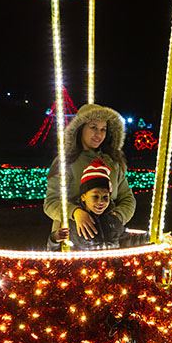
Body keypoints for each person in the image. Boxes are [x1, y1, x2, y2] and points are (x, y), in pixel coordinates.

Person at [44, 103, 136, 242]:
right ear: (80, 128)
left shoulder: (113, 163)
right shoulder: (66, 162)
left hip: (109, 239)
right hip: (73, 239)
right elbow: (51, 203)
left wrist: (117, 217)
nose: (99, 134)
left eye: (103, 129)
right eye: (93, 127)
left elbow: (127, 199)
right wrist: (75, 212)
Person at [47, 158, 150, 251]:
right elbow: (55, 251)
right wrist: (54, 239)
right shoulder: (73, 223)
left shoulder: (113, 220)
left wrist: (149, 237)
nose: (101, 202)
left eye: (105, 197)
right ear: (83, 196)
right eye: (95, 197)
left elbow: (125, 239)